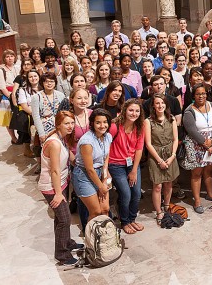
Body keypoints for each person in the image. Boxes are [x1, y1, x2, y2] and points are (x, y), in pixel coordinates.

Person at [38, 111, 81, 265]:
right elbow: (54, 171)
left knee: (61, 217)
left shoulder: (62, 138)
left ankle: (67, 243)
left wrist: (78, 163)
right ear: (58, 125)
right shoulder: (54, 143)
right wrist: (57, 194)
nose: (70, 126)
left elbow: (68, 153)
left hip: (61, 182)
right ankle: (62, 254)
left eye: (72, 122)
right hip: (51, 186)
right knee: (64, 219)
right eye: (66, 123)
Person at [182, 83, 212, 213]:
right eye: (198, 94)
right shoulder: (189, 110)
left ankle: (209, 194)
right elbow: (191, 130)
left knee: (209, 170)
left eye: (203, 93)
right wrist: (204, 143)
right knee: (197, 173)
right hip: (197, 144)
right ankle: (197, 201)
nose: (201, 96)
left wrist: (211, 140)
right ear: (194, 95)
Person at [108, 99, 145, 234]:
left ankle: (132, 218)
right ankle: (124, 221)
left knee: (136, 193)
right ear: (124, 110)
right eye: (131, 110)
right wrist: (105, 169)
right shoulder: (114, 126)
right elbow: (106, 146)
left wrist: (134, 170)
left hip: (132, 164)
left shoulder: (140, 126)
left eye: (137, 111)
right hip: (116, 164)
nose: (133, 113)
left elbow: (139, 149)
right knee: (126, 194)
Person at [144, 94, 179, 225]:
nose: (160, 106)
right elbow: (148, 143)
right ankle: (159, 211)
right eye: (157, 103)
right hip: (155, 155)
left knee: (169, 182)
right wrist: (159, 160)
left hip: (170, 153)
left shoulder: (172, 119)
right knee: (157, 185)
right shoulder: (148, 121)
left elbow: (176, 139)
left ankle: (167, 205)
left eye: (162, 103)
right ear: (153, 105)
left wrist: (172, 156)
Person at [72, 108, 112, 222]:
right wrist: (101, 186)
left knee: (105, 209)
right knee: (96, 212)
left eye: (105, 122)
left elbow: (106, 158)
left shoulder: (108, 136)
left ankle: (106, 236)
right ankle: (92, 237)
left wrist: (105, 176)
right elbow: (89, 169)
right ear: (92, 123)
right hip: (84, 175)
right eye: (98, 122)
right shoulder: (87, 141)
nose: (102, 125)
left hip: (100, 172)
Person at [0, 49, 20, 144]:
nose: (10, 58)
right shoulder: (1, 70)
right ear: (4, 59)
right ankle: (13, 138)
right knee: (9, 119)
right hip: (7, 96)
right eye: (7, 56)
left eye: (11, 56)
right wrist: (12, 97)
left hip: (19, 94)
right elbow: (2, 87)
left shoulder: (18, 67)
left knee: (19, 116)